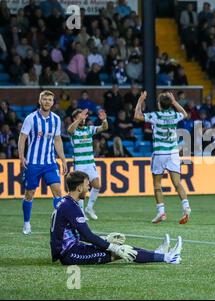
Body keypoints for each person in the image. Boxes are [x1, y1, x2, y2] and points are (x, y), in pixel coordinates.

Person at [50, 171, 183, 265]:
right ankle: (168, 257)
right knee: (122, 251)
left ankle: (159, 254)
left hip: (72, 250)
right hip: (71, 255)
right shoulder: (71, 207)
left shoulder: (66, 203)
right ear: (79, 188)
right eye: (86, 184)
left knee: (122, 248)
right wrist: (112, 247)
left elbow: (79, 235)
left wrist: (106, 239)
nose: (88, 187)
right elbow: (88, 236)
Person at [134, 91, 192, 224]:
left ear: (159, 105)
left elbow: (137, 115)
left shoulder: (156, 115)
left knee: (157, 184)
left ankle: (161, 212)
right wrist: (175, 101)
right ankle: (186, 207)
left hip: (160, 153)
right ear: (170, 104)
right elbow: (185, 114)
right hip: (173, 153)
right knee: (177, 183)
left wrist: (140, 100)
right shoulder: (174, 115)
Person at [18, 90, 67, 235]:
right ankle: (27, 223)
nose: (47, 102)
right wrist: (21, 156)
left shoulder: (56, 119)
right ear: (40, 101)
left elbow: (57, 140)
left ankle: (59, 225)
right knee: (29, 194)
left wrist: (63, 159)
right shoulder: (31, 118)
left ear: (53, 102)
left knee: (58, 191)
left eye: (50, 100)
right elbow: (22, 137)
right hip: (33, 163)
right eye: (44, 99)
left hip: (50, 162)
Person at [67, 108, 109, 220]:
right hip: (79, 164)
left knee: (97, 185)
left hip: (90, 163)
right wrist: (78, 119)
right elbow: (69, 130)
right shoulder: (74, 131)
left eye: (84, 117)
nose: (83, 118)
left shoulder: (89, 129)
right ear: (74, 119)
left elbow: (104, 127)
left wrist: (104, 120)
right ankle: (81, 213)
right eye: (80, 116)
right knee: (80, 189)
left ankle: (89, 208)